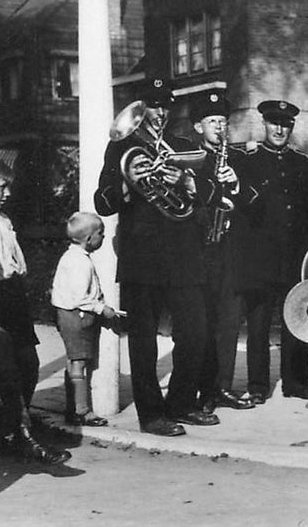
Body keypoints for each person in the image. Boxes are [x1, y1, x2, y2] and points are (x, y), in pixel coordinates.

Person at [94, 77, 221, 436]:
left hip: (183, 254)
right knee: (143, 343)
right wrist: (125, 184)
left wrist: (188, 183)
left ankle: (181, 402)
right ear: (140, 108)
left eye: (166, 106)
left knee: (195, 333)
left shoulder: (182, 146)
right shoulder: (121, 149)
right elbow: (102, 203)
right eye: (153, 106)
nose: (160, 113)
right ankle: (151, 415)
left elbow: (213, 190)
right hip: (142, 257)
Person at [0, 154, 69, 464]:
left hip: (13, 295)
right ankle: (14, 433)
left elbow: (15, 261)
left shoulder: (4, 220)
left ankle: (14, 424)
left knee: (28, 362)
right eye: (2, 187)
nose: (8, 193)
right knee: (0, 367)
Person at [227, 100, 308, 406]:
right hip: (259, 256)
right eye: (273, 123)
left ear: (291, 127)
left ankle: (295, 383)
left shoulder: (303, 163)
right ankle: (257, 386)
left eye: (286, 124)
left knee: (297, 321)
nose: (279, 129)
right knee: (258, 325)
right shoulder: (247, 160)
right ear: (264, 125)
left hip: (294, 255)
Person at [188, 92, 244, 410]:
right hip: (200, 250)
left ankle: (221, 387)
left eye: (223, 121)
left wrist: (235, 186)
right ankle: (201, 389)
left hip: (231, 252)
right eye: (212, 122)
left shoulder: (237, 159)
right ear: (199, 127)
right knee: (201, 324)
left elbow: (252, 200)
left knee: (229, 323)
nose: (219, 127)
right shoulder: (191, 158)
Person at [51, 212, 122, 427]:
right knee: (78, 362)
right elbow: (80, 297)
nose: (103, 236)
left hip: (69, 314)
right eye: (101, 233)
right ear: (89, 238)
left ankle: (73, 407)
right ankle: (81, 410)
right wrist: (103, 309)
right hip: (77, 316)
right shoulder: (80, 263)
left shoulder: (70, 257)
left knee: (74, 361)